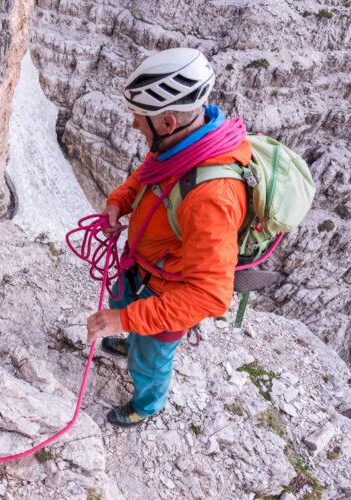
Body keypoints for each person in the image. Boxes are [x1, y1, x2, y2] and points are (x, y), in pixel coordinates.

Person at [85, 48, 250, 427]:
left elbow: (210, 296)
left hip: (166, 295)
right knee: (128, 321)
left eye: (139, 119)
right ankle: (130, 337)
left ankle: (147, 405)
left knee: (150, 360)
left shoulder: (212, 197)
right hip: (138, 271)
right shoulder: (182, 144)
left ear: (169, 121)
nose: (133, 126)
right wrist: (117, 204)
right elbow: (146, 176)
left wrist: (123, 318)